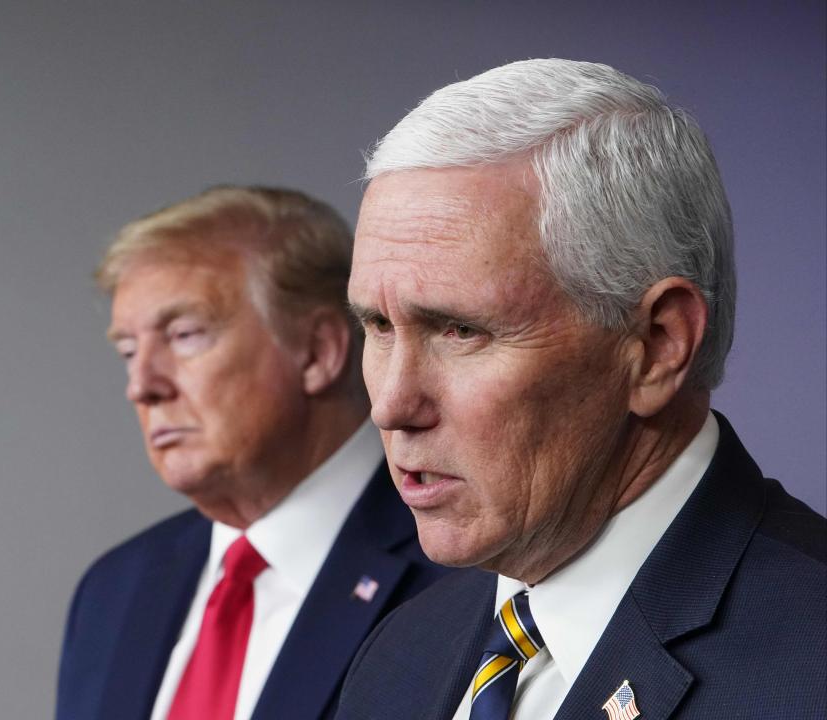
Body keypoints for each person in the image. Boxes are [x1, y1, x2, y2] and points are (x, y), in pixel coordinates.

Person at [337, 59, 826, 719]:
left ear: (656, 346)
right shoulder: (400, 652)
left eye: (460, 330)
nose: (391, 405)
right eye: (378, 325)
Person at [56, 186, 449, 720]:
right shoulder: (113, 591)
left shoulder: (462, 569)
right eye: (128, 350)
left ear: (318, 351)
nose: (141, 385)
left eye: (185, 335)